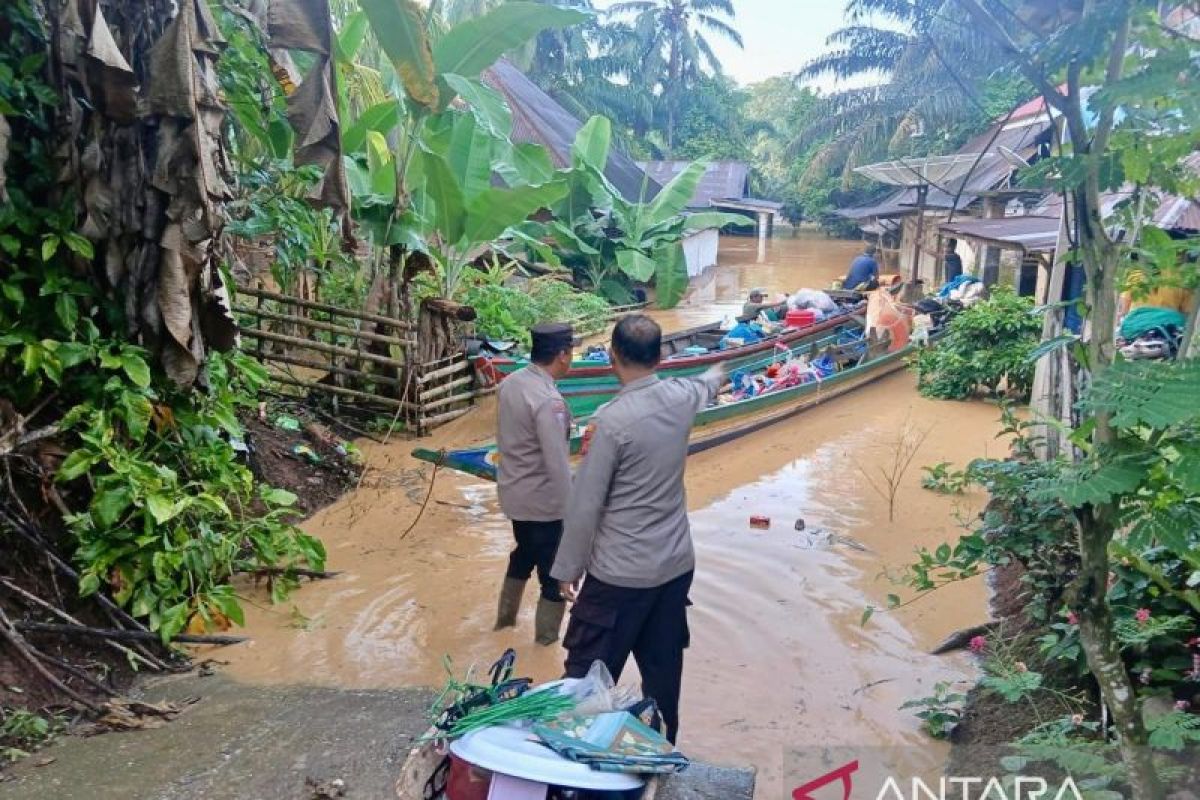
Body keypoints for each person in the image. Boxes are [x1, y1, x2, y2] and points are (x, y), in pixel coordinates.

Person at [551, 314, 725, 744]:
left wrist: (567, 568)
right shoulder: (683, 396)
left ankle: (578, 760)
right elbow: (709, 382)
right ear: (661, 356)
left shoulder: (611, 422)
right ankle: (662, 749)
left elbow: (585, 503)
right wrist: (719, 371)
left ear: (613, 356)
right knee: (663, 673)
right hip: (674, 565)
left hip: (619, 575)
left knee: (583, 678)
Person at [495, 322, 575, 645]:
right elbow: (557, 465)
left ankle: (503, 625)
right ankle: (544, 646)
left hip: (515, 497)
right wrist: (576, 515)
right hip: (543, 505)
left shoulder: (510, 384)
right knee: (553, 577)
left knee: (524, 553)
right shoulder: (547, 401)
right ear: (562, 356)